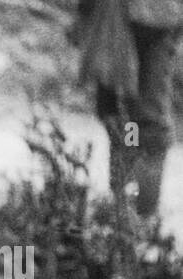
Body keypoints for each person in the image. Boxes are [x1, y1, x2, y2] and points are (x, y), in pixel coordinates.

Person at [77, 0, 183, 219]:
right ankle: (125, 213)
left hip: (153, 21)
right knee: (122, 116)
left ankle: (140, 215)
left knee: (143, 118)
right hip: (117, 17)